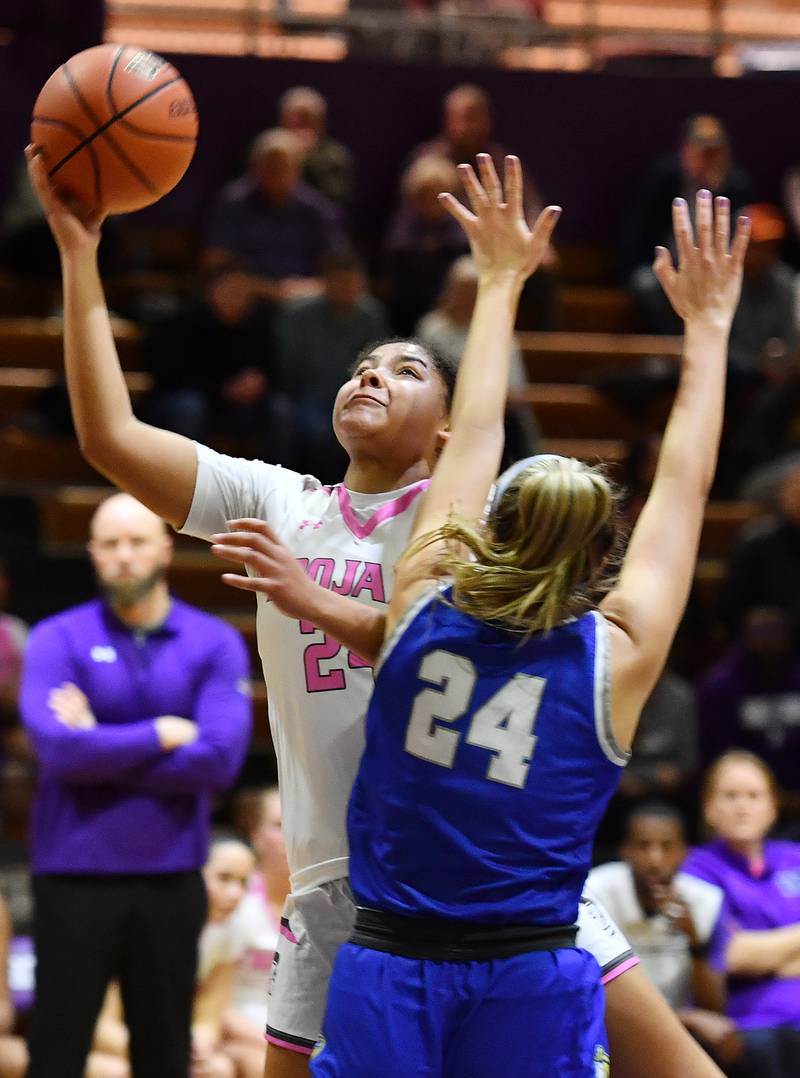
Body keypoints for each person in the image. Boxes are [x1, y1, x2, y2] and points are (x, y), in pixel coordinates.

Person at [25, 144, 730, 1078]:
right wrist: (81, 254)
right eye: (361, 363)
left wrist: (497, 288)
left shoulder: (458, 532)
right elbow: (109, 437)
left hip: (484, 879)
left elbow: (489, 452)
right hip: (342, 883)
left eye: (404, 369)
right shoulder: (281, 501)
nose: (370, 373)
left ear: (446, 432)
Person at [218, 166, 748, 1074]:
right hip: (531, 974)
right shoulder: (612, 658)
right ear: (596, 564)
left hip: (390, 963)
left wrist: (498, 281)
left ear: (477, 535)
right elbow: (687, 484)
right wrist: (708, 330)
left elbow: (477, 435)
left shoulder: (421, 601)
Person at [18, 493, 253, 1078]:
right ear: (93, 553)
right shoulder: (55, 638)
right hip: (73, 874)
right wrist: (159, 734)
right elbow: (55, 750)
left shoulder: (213, 642)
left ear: (165, 548)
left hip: (171, 877)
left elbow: (219, 763)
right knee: (57, 1049)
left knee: (164, 1055)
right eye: (110, 544)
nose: (124, 556)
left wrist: (98, 739)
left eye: (137, 541)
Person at [684, 751, 800, 1077]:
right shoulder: (696, 868)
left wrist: (762, 953)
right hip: (748, 1021)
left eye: (753, 795)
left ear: (773, 805)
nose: (742, 806)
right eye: (730, 795)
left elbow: (747, 951)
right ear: (709, 808)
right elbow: (732, 956)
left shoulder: (795, 857)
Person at [140, 265, 293, 463]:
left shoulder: (258, 326)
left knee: (281, 409)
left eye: (243, 292)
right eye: (230, 291)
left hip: (242, 406)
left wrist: (259, 383)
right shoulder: (183, 322)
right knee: (190, 407)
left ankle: (278, 483)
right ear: (211, 291)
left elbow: (274, 371)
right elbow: (169, 375)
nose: (237, 298)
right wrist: (221, 388)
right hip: (191, 399)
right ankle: (186, 478)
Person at [588, 803, 726, 1014]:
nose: (655, 860)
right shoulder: (595, 892)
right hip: (611, 1019)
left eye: (667, 846)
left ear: (684, 852)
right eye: (643, 846)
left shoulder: (706, 900)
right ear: (624, 850)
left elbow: (715, 1006)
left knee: (724, 1036)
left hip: (677, 1018)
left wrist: (694, 940)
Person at [274, 247, 389, 481]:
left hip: (353, 394)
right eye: (338, 280)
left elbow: (379, 363)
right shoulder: (301, 314)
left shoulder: (371, 316)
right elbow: (287, 365)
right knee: (312, 429)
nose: (345, 287)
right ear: (325, 282)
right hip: (307, 394)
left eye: (351, 281)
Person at [416, 253, 540, 463]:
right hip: (446, 413)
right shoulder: (432, 329)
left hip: (493, 415)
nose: (467, 298)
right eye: (463, 290)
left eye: (474, 291)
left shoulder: (500, 331)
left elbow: (515, 392)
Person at [205, 129, 345, 304]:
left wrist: (304, 288)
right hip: (249, 296)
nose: (275, 175)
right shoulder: (234, 202)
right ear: (254, 167)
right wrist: (267, 289)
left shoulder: (315, 208)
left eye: (282, 167)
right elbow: (215, 261)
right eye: (269, 167)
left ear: (297, 169)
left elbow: (337, 268)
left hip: (304, 298)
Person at [698, 607, 800, 803]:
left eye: (774, 633)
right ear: (743, 637)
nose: (768, 642)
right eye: (761, 634)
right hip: (745, 790)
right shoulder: (719, 685)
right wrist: (771, 794)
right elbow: (719, 753)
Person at [278, 87, 355, 207]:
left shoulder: (335, 156)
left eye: (306, 118)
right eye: (295, 118)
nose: (300, 125)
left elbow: (335, 197)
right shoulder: (269, 153)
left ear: (320, 122)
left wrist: (310, 159)